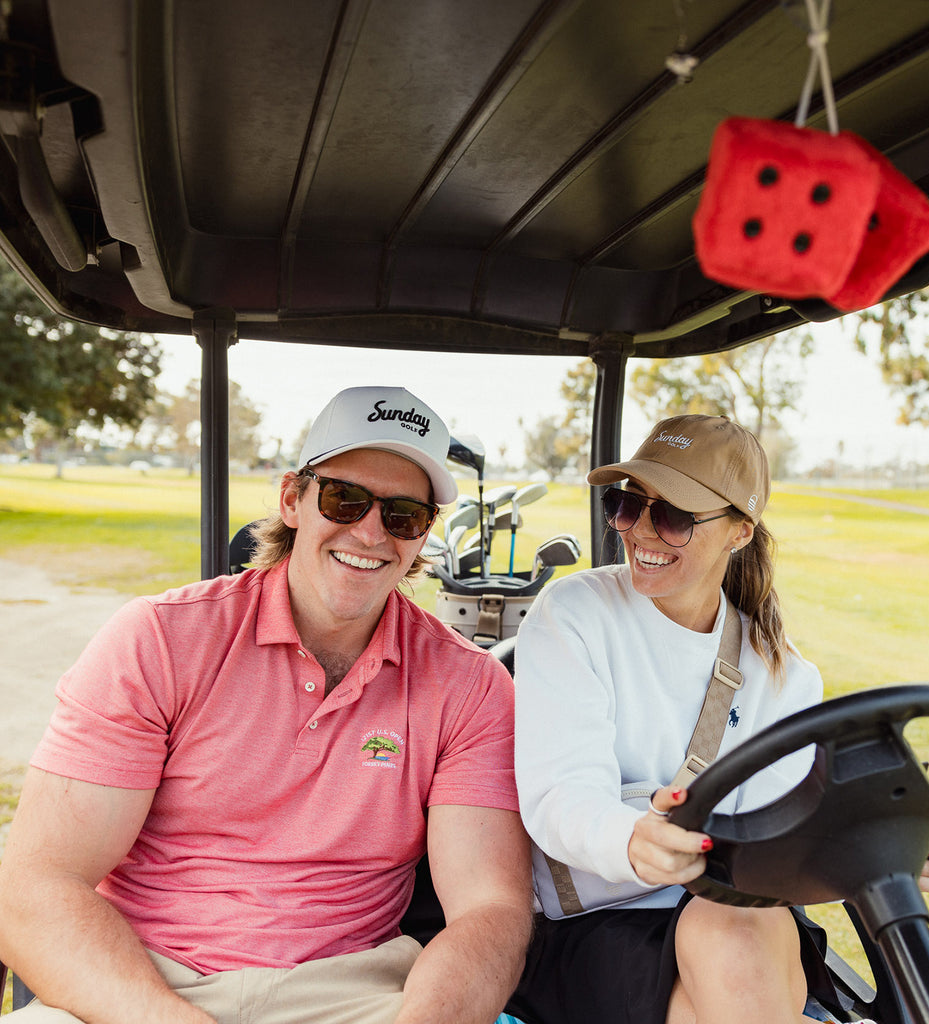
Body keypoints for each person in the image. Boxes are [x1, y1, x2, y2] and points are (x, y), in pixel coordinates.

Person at [0, 385, 534, 1024]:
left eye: (402, 516)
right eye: (345, 498)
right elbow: (37, 883)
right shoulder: (159, 639)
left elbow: (490, 909)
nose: (369, 532)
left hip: (352, 992)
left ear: (423, 535)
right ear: (292, 499)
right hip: (142, 984)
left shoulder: (469, 685)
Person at [508, 413, 929, 1024]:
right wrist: (633, 840)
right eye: (626, 505)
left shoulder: (783, 673)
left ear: (739, 533)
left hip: (732, 916)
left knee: (735, 928)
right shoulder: (577, 614)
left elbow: (781, 842)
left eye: (673, 517)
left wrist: (885, 845)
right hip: (596, 922)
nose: (640, 530)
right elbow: (561, 791)